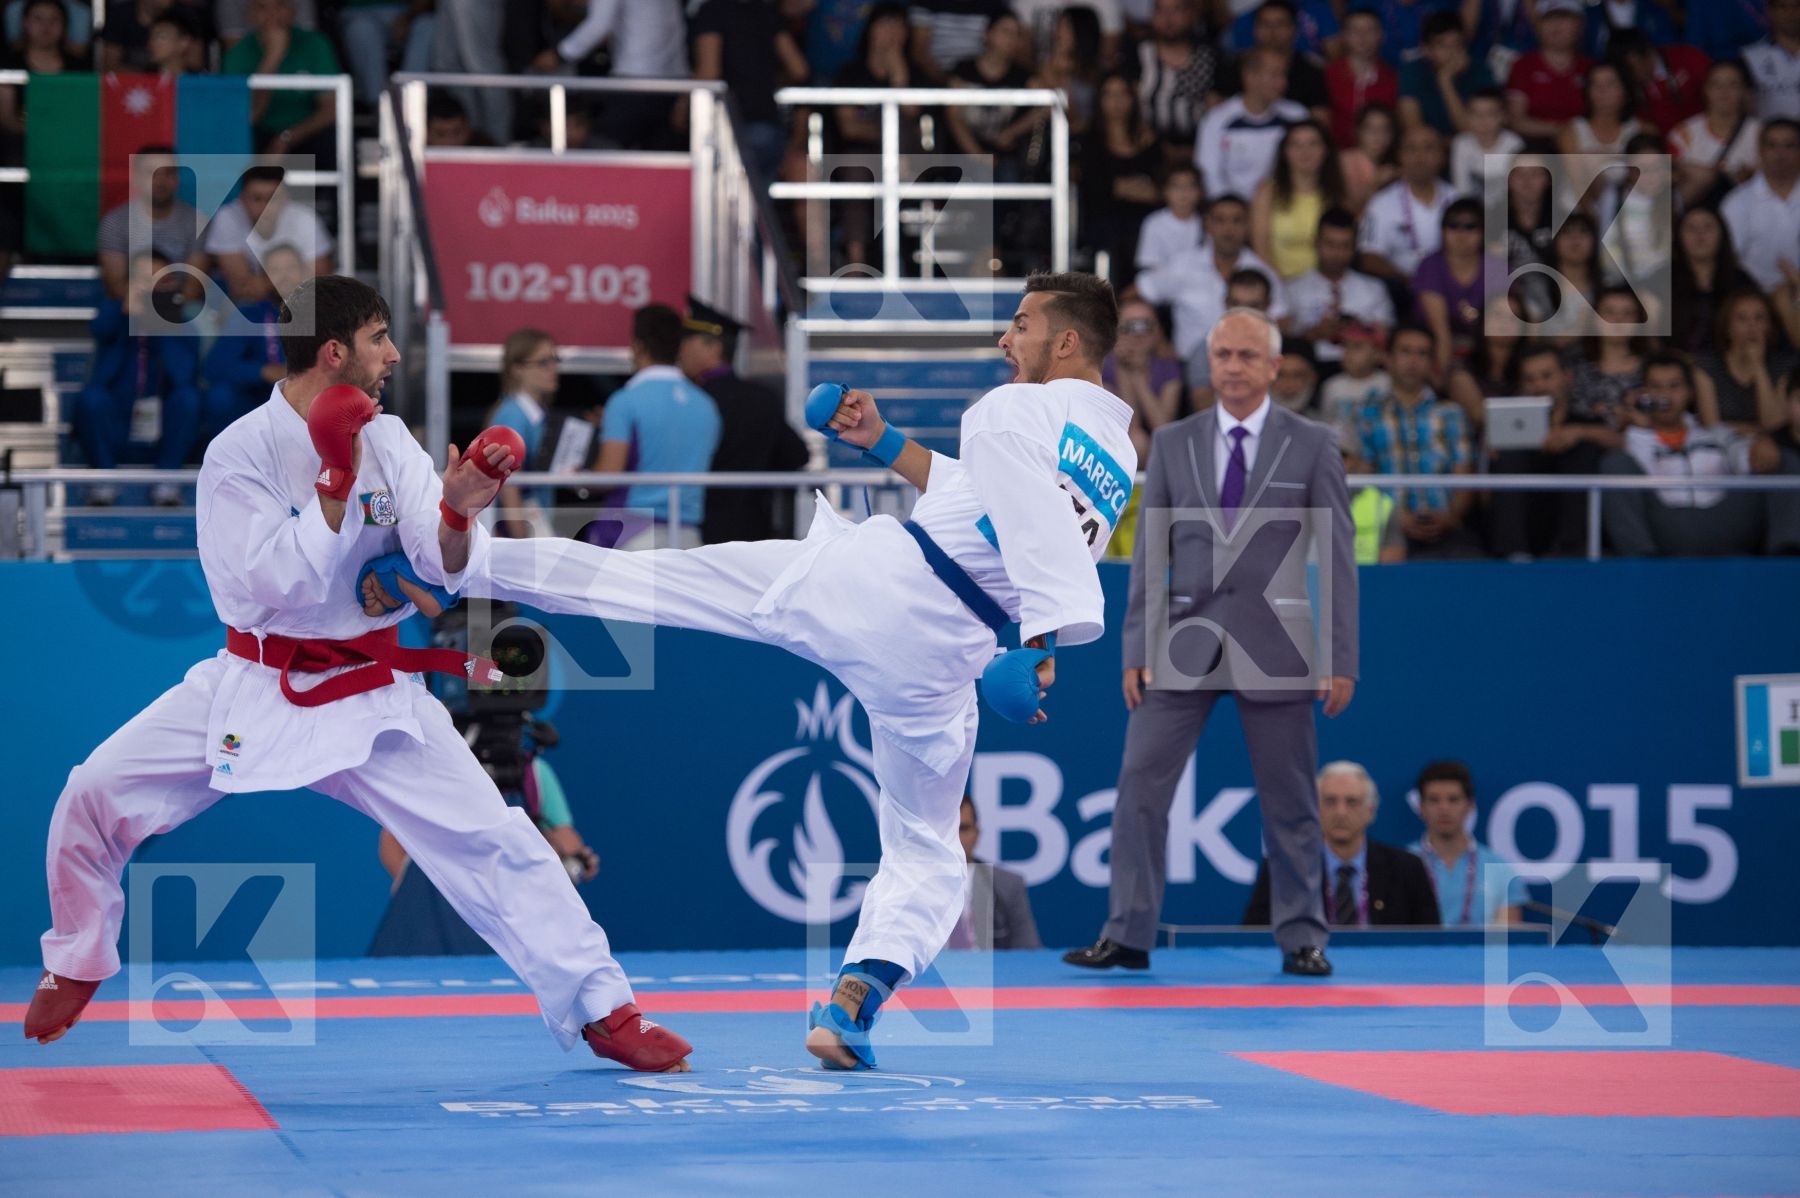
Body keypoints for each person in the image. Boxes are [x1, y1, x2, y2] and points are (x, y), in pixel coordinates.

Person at [378, 272, 1137, 1070]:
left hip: (877, 583)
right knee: (929, 846)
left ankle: (457, 560)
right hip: (946, 656)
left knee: (650, 582)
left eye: (1020, 324)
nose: (1003, 340)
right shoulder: (1114, 451)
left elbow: (1029, 522)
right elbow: (989, 503)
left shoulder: (1011, 407)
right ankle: (855, 999)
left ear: (1067, 341)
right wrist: (881, 442)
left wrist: (1046, 642)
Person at [25, 275, 694, 1074]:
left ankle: (605, 1010)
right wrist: (333, 491)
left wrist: (458, 509)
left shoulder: (388, 439)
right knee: (93, 792)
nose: (393, 355)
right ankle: (78, 955)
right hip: (254, 680)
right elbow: (262, 589)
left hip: (372, 695)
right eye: (380, 337)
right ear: (335, 350)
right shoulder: (239, 453)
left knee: (496, 840)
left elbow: (440, 567)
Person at [1063, 306, 1356, 977]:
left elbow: (1338, 557)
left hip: (1280, 642)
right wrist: (1135, 646)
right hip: (1180, 644)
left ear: (1275, 368)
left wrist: (1340, 659)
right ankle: (1129, 934)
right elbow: (1149, 555)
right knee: (1139, 787)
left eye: (1247, 356)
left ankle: (1303, 937)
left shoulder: (1312, 444)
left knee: (1291, 802)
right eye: (1222, 355)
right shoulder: (1174, 441)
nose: (1232, 368)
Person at [1601, 352, 1763, 556]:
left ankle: (1789, 554)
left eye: (1674, 386)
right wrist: (1642, 429)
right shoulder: (1630, 439)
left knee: (1778, 461)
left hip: (1721, 523)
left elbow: (1751, 462)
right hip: (1665, 527)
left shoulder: (1714, 434)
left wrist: (1763, 446)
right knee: (1614, 463)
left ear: (1690, 392)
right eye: (1656, 387)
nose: (1665, 396)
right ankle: (1642, 564)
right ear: (1643, 393)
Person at [75, 250, 202, 508]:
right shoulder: (112, 315)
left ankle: (167, 481)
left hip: (163, 431)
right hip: (118, 424)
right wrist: (127, 315)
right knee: (91, 399)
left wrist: (162, 323)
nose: (152, 287)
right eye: (145, 278)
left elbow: (183, 377)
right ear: (130, 283)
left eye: (160, 279)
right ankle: (104, 479)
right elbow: (100, 342)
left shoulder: (184, 325)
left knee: (189, 399)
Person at [1243, 762, 1440, 928]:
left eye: (1352, 802)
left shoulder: (1407, 868)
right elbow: (1253, 940)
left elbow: (1431, 944)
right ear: (1315, 809)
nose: (1340, 812)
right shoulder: (1285, 867)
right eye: (1330, 801)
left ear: (1370, 811)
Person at [679, 296, 809, 544]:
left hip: (700, 532)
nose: (681, 350)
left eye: (688, 341)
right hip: (755, 532)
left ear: (714, 347)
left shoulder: (693, 400)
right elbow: (797, 455)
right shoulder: (762, 398)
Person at [592, 305, 722, 551]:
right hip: (689, 537)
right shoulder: (707, 406)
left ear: (637, 345)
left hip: (634, 535)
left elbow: (608, 474)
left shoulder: (625, 401)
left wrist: (577, 477)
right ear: (679, 346)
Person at [1354, 324, 1477, 557]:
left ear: (1432, 363)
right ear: (1387, 358)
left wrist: (1449, 519)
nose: (1413, 361)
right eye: (1405, 352)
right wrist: (1396, 518)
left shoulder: (1452, 413)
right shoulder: (1367, 413)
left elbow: (1465, 478)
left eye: (1422, 354)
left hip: (1446, 527)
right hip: (1387, 530)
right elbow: (1363, 477)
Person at [221, 0, 341, 160]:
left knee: (332, 142)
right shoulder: (238, 54)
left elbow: (331, 108)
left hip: (304, 130)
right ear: (251, 15)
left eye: (280, 5)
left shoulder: (315, 44)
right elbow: (248, 116)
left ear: (293, 12)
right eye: (262, 8)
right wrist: (272, 57)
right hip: (260, 130)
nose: (272, 14)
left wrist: (288, 137)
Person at [1409, 760, 1524, 927]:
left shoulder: (1499, 868)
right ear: (1421, 807)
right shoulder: (1402, 864)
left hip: (1480, 953)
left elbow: (1505, 942)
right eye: (1434, 800)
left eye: (1453, 800)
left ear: (1470, 805)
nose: (1444, 808)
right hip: (1416, 953)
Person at [199, 164, 334, 303]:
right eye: (257, 199)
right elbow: (243, 289)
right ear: (242, 200)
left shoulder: (305, 219)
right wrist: (292, 275)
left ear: (286, 199)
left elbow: (319, 284)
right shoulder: (227, 218)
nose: (265, 208)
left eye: (273, 199)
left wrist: (264, 282)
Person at [1193, 47, 1307, 203]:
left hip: (1285, 207)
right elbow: (1209, 175)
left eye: (1284, 74)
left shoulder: (1297, 115)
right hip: (1233, 214)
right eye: (1275, 75)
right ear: (1250, 77)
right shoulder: (1217, 120)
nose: (1283, 82)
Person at [1287, 208, 1395, 369]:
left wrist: (1358, 329)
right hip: (1312, 368)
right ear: (1316, 243)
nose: (1337, 253)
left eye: (1345, 245)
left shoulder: (1374, 289)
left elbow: (1386, 336)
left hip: (1364, 369)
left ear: (1355, 248)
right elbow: (1285, 342)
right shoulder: (1293, 290)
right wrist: (1314, 333)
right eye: (1330, 244)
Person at [1250, 118, 1344, 280]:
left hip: (1323, 285)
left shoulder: (1336, 193)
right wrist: (1281, 287)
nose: (1305, 152)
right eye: (1296, 145)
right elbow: (1261, 249)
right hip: (1277, 284)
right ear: (1285, 152)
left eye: (1312, 144)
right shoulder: (1267, 192)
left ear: (1325, 150)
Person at [488, 327, 562, 534]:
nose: (553, 368)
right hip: (516, 531)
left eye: (555, 360)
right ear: (516, 368)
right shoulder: (512, 416)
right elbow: (509, 486)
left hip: (533, 525)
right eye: (543, 362)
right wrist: (521, 540)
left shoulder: (533, 414)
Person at [946, 796, 1042, 951]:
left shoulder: (1008, 885)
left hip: (991, 974)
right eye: (947, 830)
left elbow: (1029, 952)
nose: (955, 839)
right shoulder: (908, 885)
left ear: (976, 833)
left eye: (963, 829)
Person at [1719, 119, 1800, 295]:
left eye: (1789, 146)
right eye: (1772, 145)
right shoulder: (1737, 203)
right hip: (1755, 304)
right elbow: (1726, 262)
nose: (1780, 153)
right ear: (1760, 151)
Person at [1670, 60, 1762, 212]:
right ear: (1705, 89)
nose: (1724, 92)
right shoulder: (1683, 133)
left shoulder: (1761, 133)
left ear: (1745, 91)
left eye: (1733, 84)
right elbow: (1670, 179)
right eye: (1716, 84)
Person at [1504, 0, 1592, 145]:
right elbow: (1517, 121)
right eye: (1548, 18)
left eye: (1564, 17)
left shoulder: (1589, 67)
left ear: (1580, 24)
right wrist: (1562, 130)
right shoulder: (1523, 65)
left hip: (1584, 147)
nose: (1555, 25)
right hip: (1534, 147)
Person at [1322, 7, 1395, 150]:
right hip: (1336, 156)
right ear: (1343, 36)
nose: (1362, 37)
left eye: (1369, 30)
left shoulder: (1392, 78)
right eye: (1355, 31)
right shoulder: (1327, 75)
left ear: (1380, 35)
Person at [1448, 88, 1522, 198]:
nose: (1483, 120)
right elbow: (1461, 187)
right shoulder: (1461, 143)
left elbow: (1517, 187)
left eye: (1490, 114)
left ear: (1503, 116)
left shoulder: (1514, 144)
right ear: (1467, 117)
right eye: (1476, 114)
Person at [1134, 162, 1204, 274]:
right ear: (1165, 191)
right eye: (1177, 187)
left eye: (1190, 186)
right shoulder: (1153, 223)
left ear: (1200, 191)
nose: (1184, 193)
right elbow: (1148, 266)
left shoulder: (1206, 222)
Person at [1744, 0, 1800, 122]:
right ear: (1770, 11)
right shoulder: (1749, 57)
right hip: (1767, 137)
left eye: (1797, 6)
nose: (1791, 13)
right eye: (1783, 7)